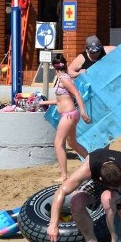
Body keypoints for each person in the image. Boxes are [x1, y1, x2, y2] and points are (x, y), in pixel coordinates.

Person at [40, 54, 91, 182]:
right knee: (72, 143)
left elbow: (77, 95)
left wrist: (83, 113)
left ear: (53, 67)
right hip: (69, 114)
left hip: (69, 115)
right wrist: (42, 103)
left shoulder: (63, 79)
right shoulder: (62, 78)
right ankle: (91, 162)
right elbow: (60, 100)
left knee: (58, 144)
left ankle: (64, 175)